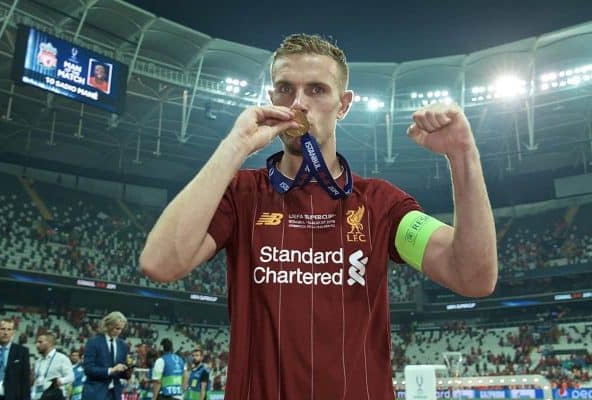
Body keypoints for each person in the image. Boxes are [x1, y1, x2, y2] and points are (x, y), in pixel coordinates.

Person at [140, 33, 497, 399]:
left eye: (316, 90)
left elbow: (473, 277)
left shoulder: (380, 204)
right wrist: (235, 145)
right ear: (271, 98)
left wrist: (463, 155)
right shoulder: (241, 195)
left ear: (343, 105)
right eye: (284, 89)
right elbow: (160, 262)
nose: (298, 104)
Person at [82, 312, 129, 400]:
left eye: (121, 329)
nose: (119, 332)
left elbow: (121, 371)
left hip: (115, 393)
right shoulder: (93, 342)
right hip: (95, 393)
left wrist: (127, 372)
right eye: (117, 328)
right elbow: (88, 369)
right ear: (108, 325)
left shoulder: (122, 345)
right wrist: (110, 371)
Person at [0, 318, 31, 400]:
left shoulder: (22, 352)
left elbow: (25, 381)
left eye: (9, 329)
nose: (6, 333)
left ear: (13, 332)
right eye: (2, 329)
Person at [31, 332, 74, 400]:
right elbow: (37, 380)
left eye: (40, 342)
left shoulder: (61, 358)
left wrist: (59, 381)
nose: (37, 345)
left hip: (54, 396)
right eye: (37, 342)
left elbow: (71, 377)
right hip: (39, 396)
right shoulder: (38, 361)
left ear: (49, 343)